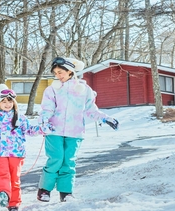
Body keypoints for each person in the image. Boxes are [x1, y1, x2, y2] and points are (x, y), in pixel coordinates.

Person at [37, 57, 119, 203]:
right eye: (56, 73)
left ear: (70, 71)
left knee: (68, 161)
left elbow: (90, 110)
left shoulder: (84, 90)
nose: (58, 76)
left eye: (61, 72)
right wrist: (44, 121)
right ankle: (44, 190)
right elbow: (47, 108)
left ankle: (66, 193)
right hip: (53, 130)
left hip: (75, 132)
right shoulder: (52, 89)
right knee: (55, 159)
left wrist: (105, 118)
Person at [0, 84, 50, 211]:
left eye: (10, 101)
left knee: (14, 178)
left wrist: (41, 129)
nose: (7, 104)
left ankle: (14, 202)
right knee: (2, 174)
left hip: (16, 153)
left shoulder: (20, 118)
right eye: (3, 101)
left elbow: (30, 130)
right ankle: (2, 194)